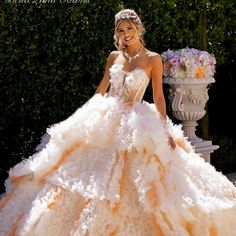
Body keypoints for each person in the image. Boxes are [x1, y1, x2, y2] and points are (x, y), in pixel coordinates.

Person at [0, 9, 236, 236]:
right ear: (117, 33)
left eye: (130, 28)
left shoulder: (153, 59)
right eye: (121, 30)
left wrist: (164, 129)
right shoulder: (114, 56)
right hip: (106, 116)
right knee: (85, 170)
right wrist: (85, 116)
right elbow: (102, 88)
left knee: (135, 169)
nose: (126, 34)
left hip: (136, 121)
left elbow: (159, 96)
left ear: (139, 28)